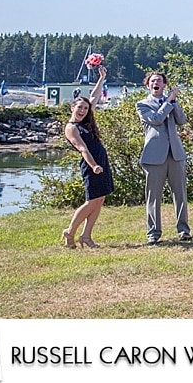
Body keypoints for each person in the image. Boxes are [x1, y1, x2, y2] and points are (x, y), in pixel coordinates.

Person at [137, 70, 190, 245]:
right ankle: (153, 233)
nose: (156, 84)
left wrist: (174, 102)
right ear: (148, 85)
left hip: (175, 154)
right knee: (153, 196)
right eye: (153, 81)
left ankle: (183, 230)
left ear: (164, 85)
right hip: (154, 156)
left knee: (180, 194)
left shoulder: (171, 102)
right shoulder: (142, 104)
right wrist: (168, 101)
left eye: (159, 81)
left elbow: (182, 120)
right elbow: (157, 119)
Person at [61, 66, 110, 248]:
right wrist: (94, 166)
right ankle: (70, 231)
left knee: (100, 199)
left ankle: (86, 236)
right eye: (79, 107)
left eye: (85, 108)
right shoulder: (71, 127)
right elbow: (83, 149)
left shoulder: (87, 120)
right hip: (91, 164)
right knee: (91, 201)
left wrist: (102, 78)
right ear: (72, 107)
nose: (82, 110)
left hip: (101, 162)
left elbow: (95, 96)